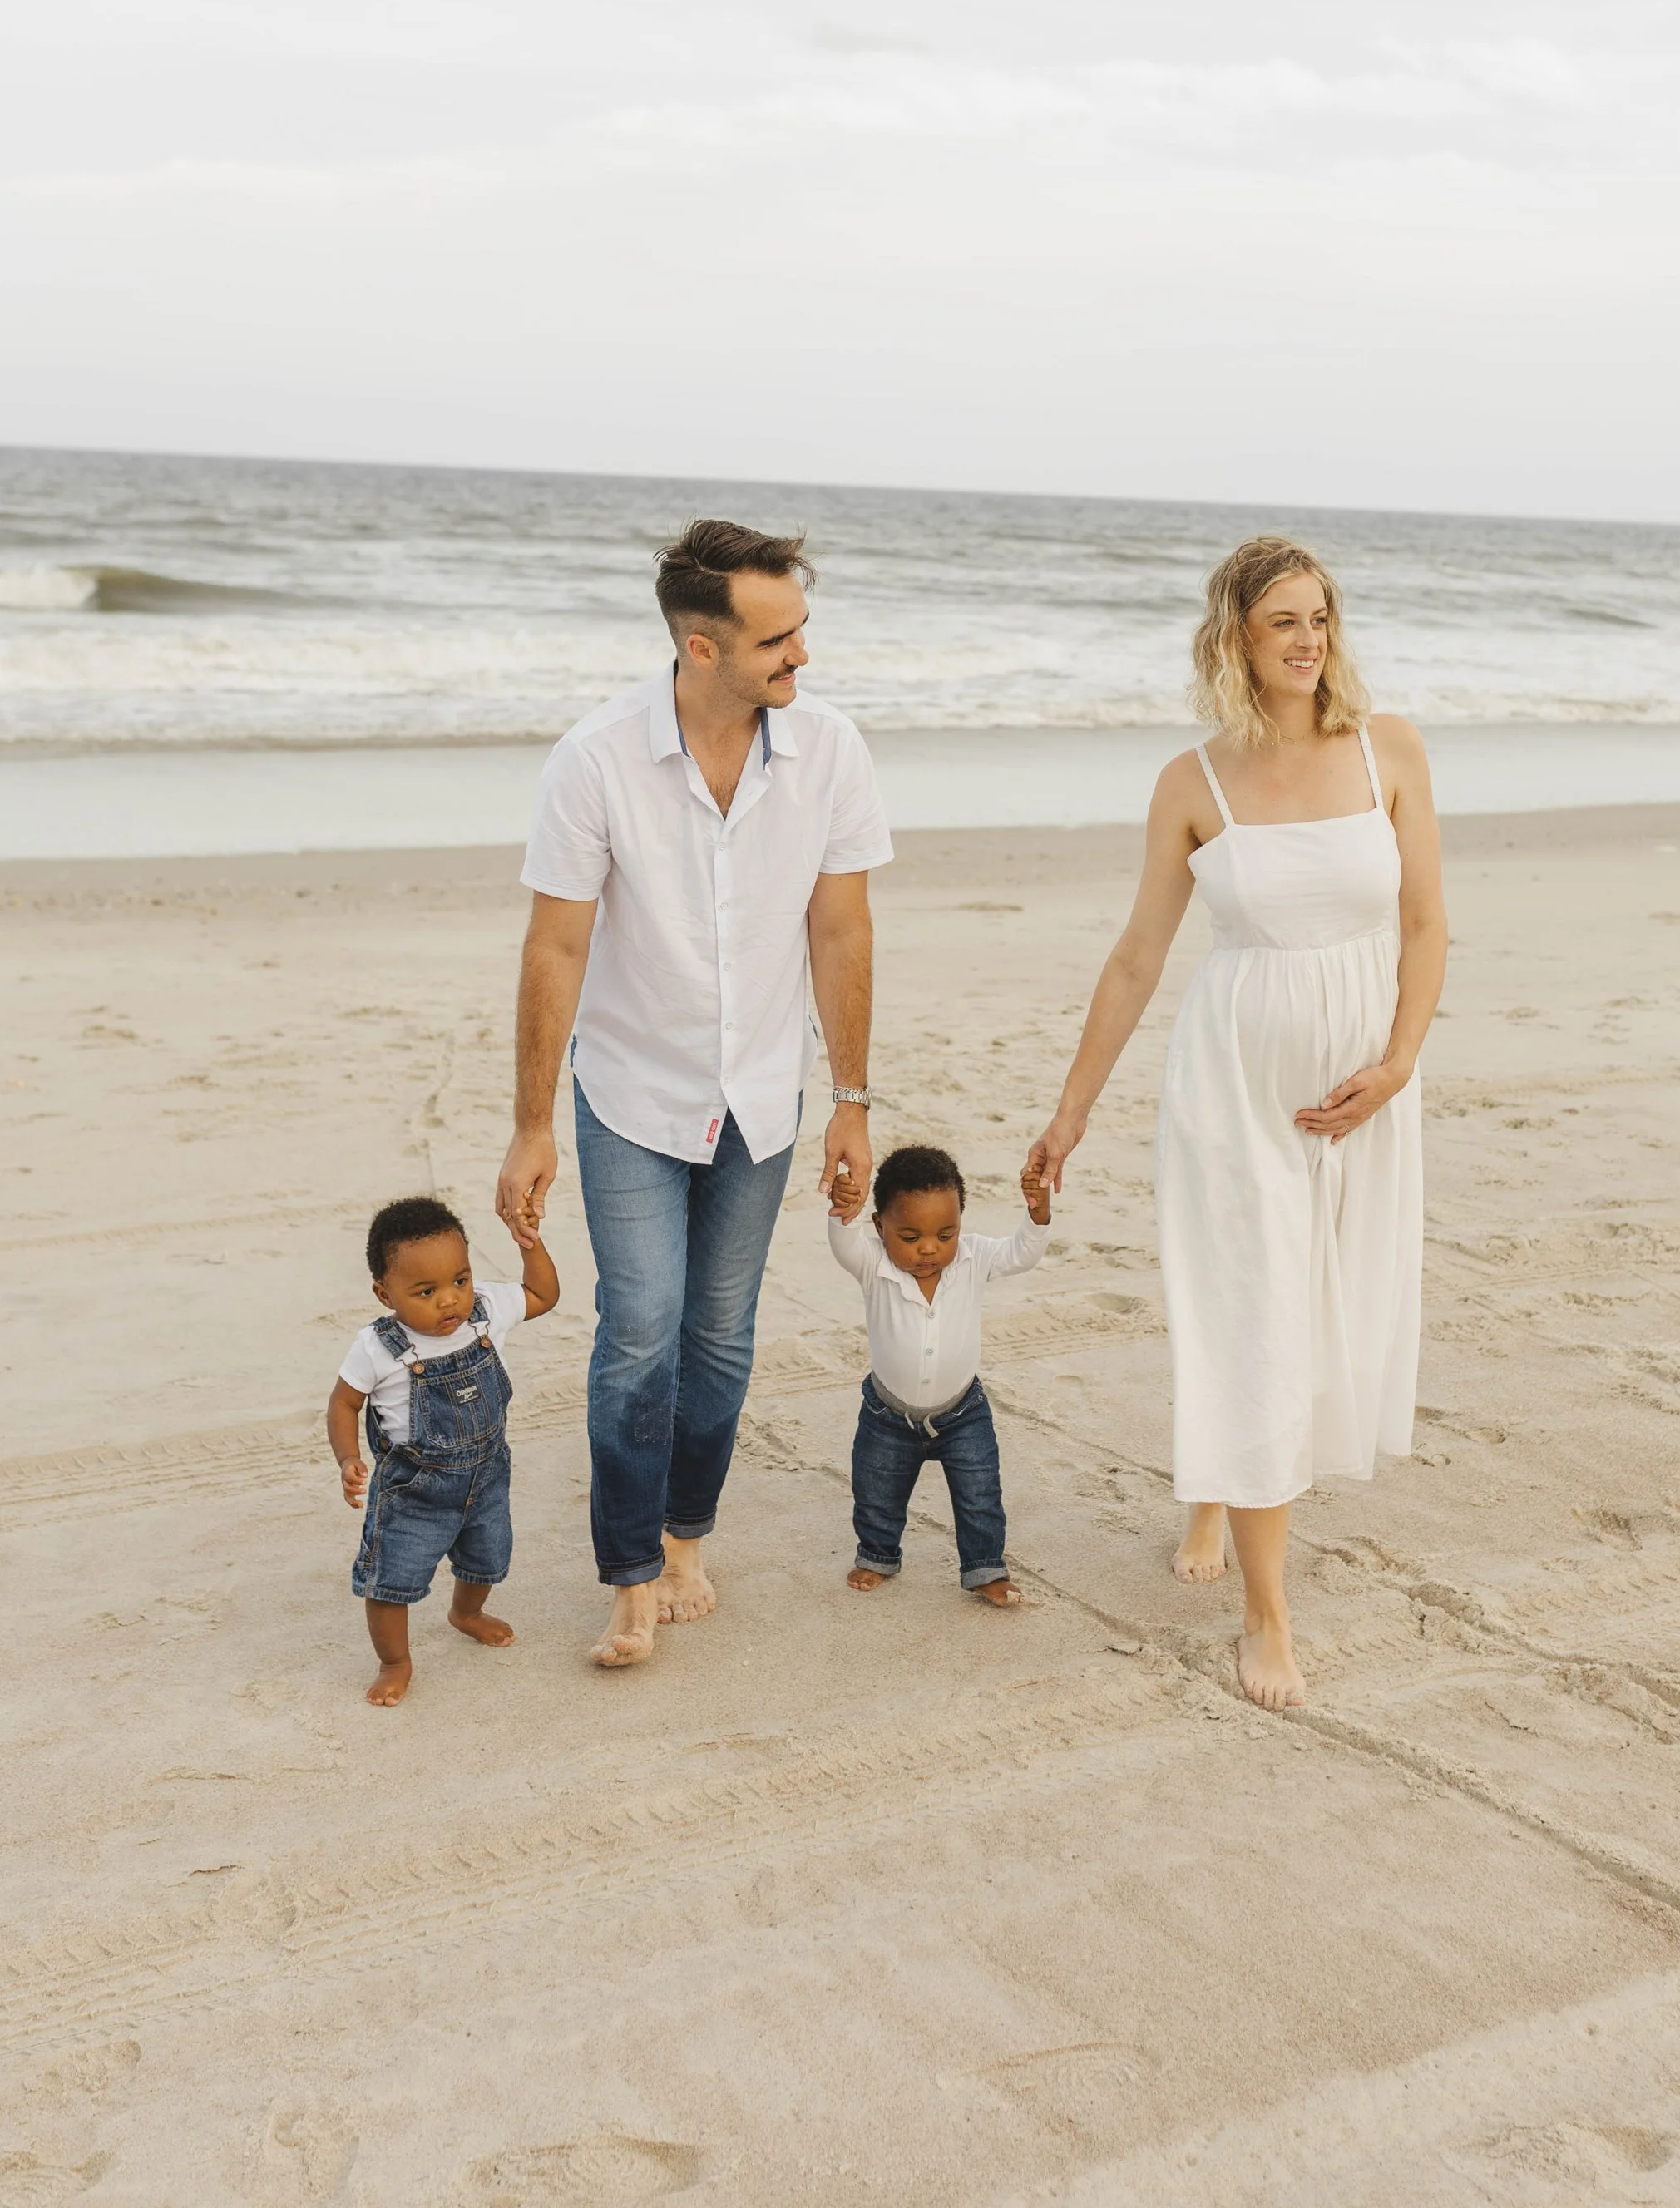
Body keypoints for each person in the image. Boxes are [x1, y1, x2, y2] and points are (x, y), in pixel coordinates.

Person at [1027, 536, 1447, 1713]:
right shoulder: (1192, 784)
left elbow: (1427, 927)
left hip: (1365, 1094)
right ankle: (1268, 1614)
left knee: (1323, 1314)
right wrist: (1068, 1117)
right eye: (1282, 622)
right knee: (1258, 1320)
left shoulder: (1389, 749)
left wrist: (1398, 1064)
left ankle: (1217, 1487)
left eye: (1320, 618)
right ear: (1235, 637)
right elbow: (1136, 959)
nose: (1308, 640)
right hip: (1233, 1090)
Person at [498, 516, 891, 1669]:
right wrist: (532, 1125)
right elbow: (554, 951)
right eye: (778, 639)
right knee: (638, 1334)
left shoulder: (831, 753)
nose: (802, 657)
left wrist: (853, 1096)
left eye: (803, 629)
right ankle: (627, 1576)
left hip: (765, 1096)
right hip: (631, 1093)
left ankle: (684, 1539)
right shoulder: (596, 760)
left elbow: (843, 927)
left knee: (719, 1338)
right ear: (702, 647)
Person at [328, 1194, 559, 1707]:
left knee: (487, 1558)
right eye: (426, 1291)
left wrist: (531, 1243)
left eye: (460, 1279)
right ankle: (395, 1660)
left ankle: (466, 1613)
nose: (450, 1300)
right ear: (385, 1293)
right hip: (415, 1487)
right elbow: (344, 1404)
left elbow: (544, 1294)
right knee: (391, 1577)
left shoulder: (487, 1312)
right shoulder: (377, 1347)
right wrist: (348, 1459)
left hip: (488, 1475)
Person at [827, 1142, 1052, 1606]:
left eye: (946, 1234)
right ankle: (877, 1555)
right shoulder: (872, 1263)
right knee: (875, 1491)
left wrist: (1037, 1213)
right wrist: (841, 1210)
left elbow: (1021, 1254)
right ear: (880, 1227)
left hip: (963, 1412)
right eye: (909, 1237)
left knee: (980, 1495)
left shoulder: (973, 1258)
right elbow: (842, 1243)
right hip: (888, 1415)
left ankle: (986, 1568)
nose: (929, 1248)